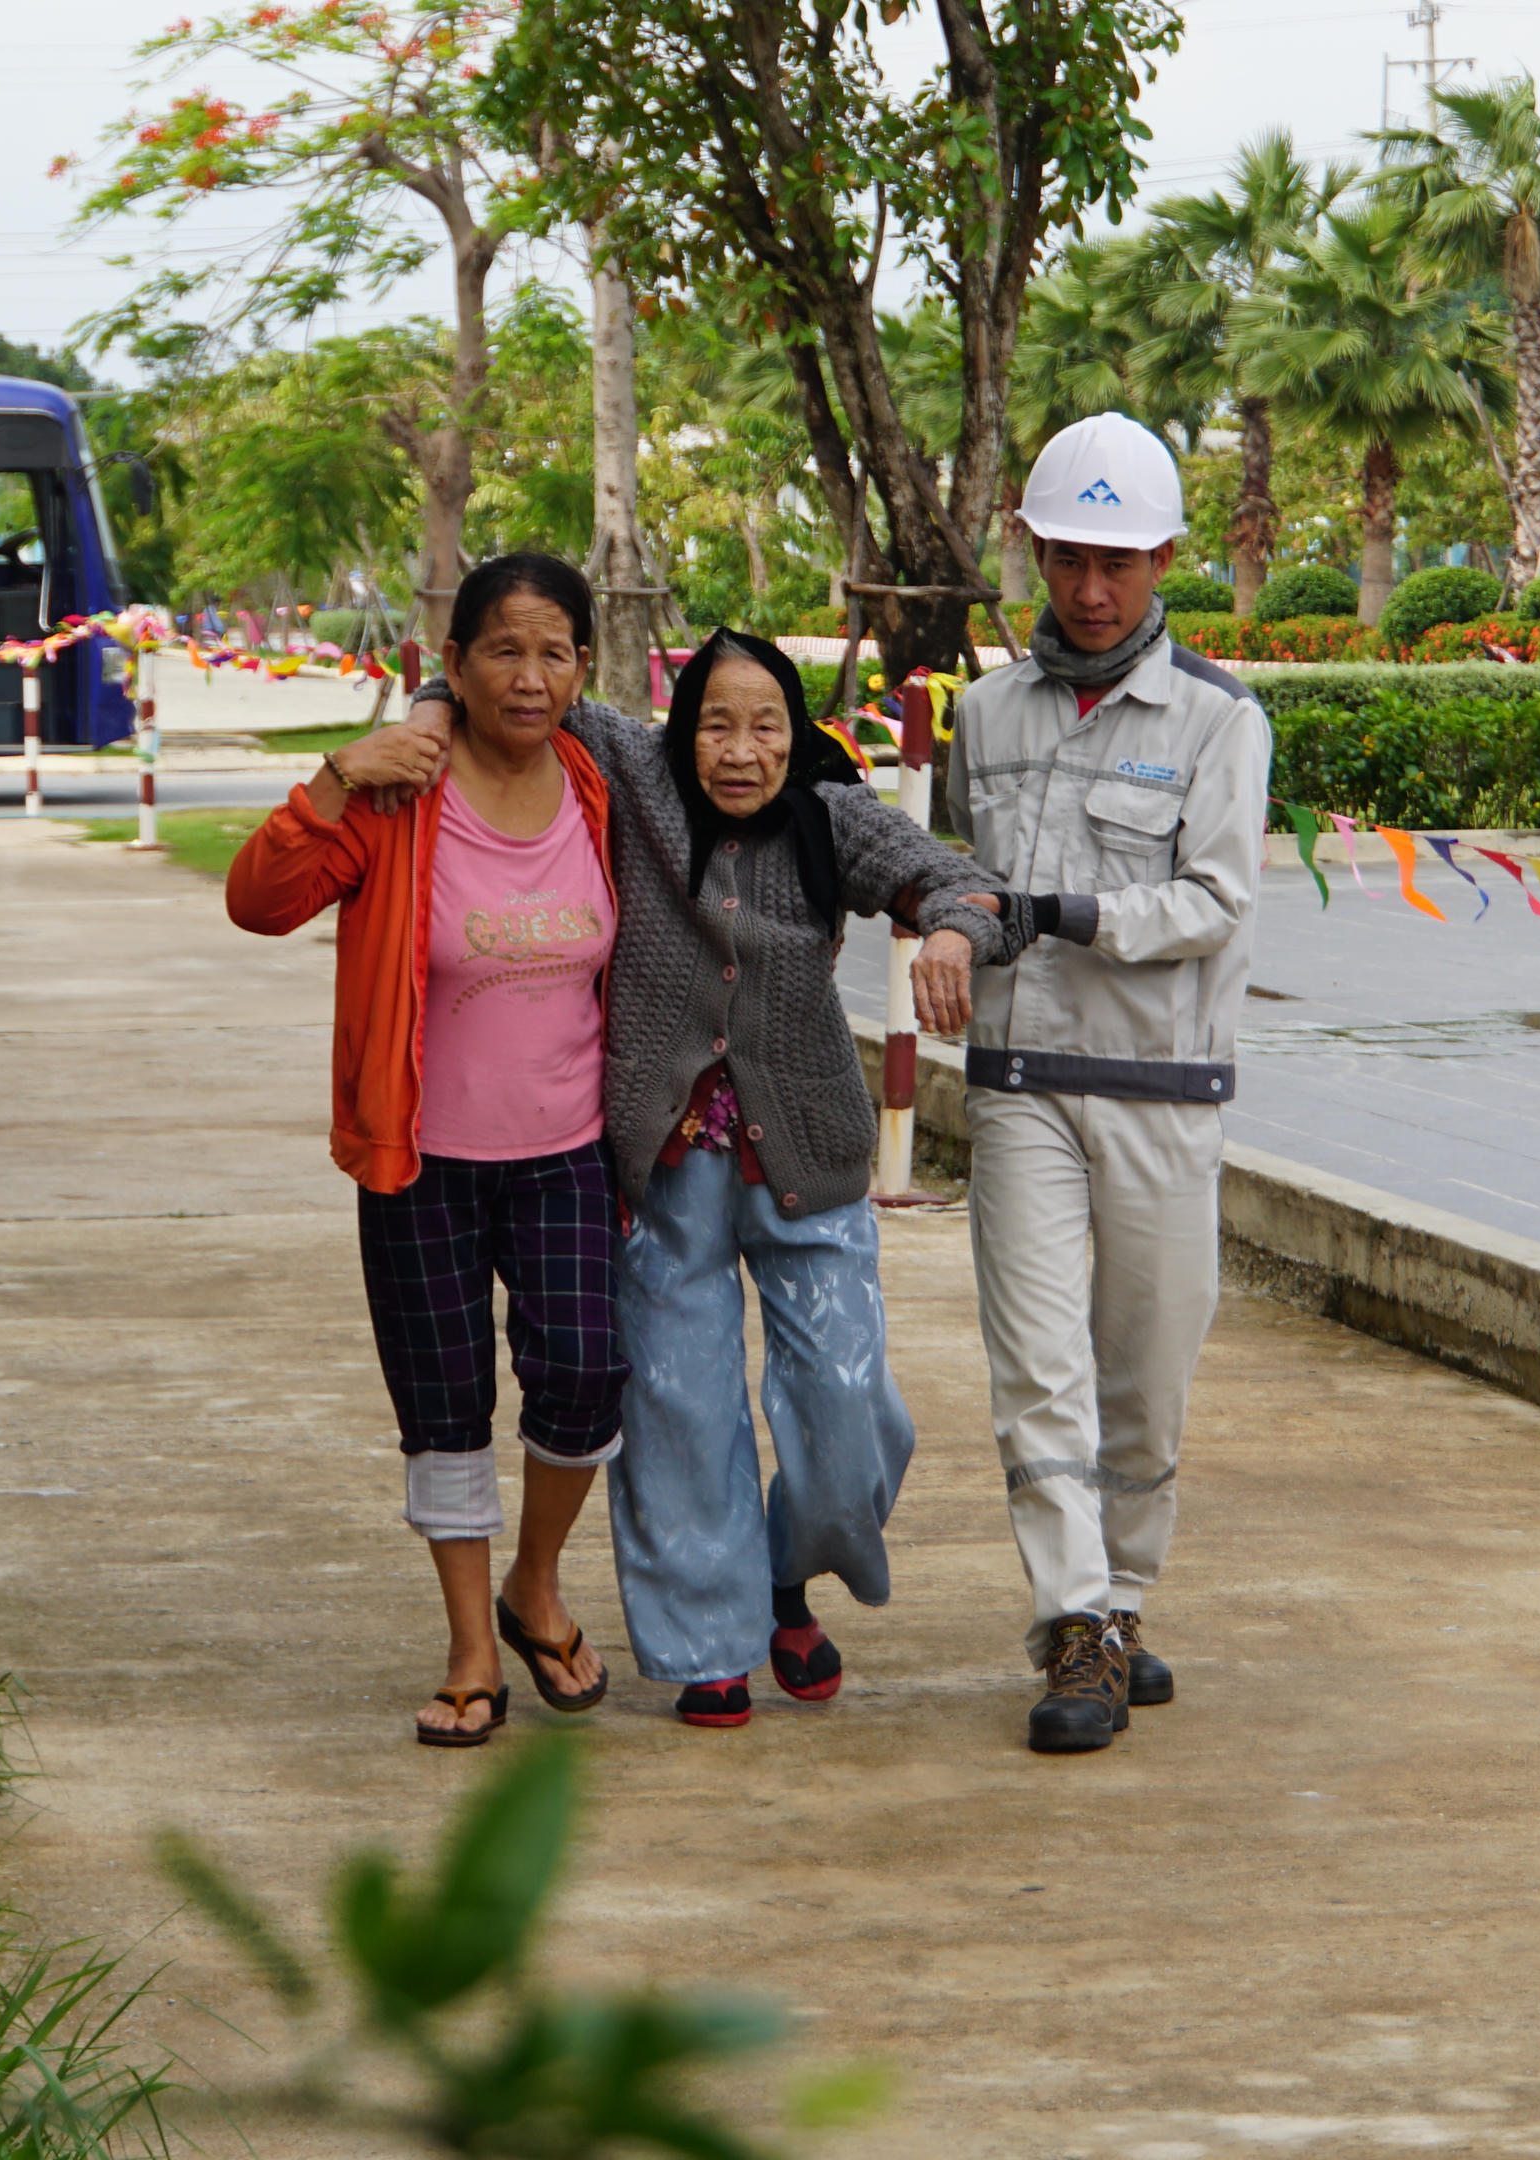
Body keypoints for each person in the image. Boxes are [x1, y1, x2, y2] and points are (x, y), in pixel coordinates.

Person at [403, 632, 1029, 1726]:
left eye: (766, 725)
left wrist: (949, 935)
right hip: (662, 1164)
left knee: (847, 1409)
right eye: (716, 725)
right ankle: (712, 1641)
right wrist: (422, 711)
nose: (741, 751)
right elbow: (511, 687)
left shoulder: (833, 815)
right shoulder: (637, 775)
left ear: (797, 733)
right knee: (680, 1411)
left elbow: (968, 886)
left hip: (808, 1156)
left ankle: (781, 1571)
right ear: (680, 732)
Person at [223, 551, 625, 1748]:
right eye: (503, 650)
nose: (530, 677)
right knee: (444, 1407)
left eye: (554, 652)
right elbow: (258, 901)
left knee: (586, 1375)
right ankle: (469, 1649)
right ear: (454, 664)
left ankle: (533, 1587)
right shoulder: (402, 793)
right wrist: (338, 775)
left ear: (584, 668)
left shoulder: (598, 783)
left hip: (568, 1152)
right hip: (420, 1160)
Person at [939, 411, 1269, 1755]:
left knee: (1145, 1374)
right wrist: (952, 924)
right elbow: (952, 874)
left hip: (1162, 1090)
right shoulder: (982, 716)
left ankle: (1124, 1603)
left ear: (1165, 561)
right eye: (1068, 558)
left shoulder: (1218, 719)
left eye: (1116, 563)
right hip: (1020, 1085)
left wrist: (1068, 913)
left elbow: (1217, 901)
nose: (1089, 590)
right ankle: (1073, 1623)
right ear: (1030, 548)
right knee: (1038, 1368)